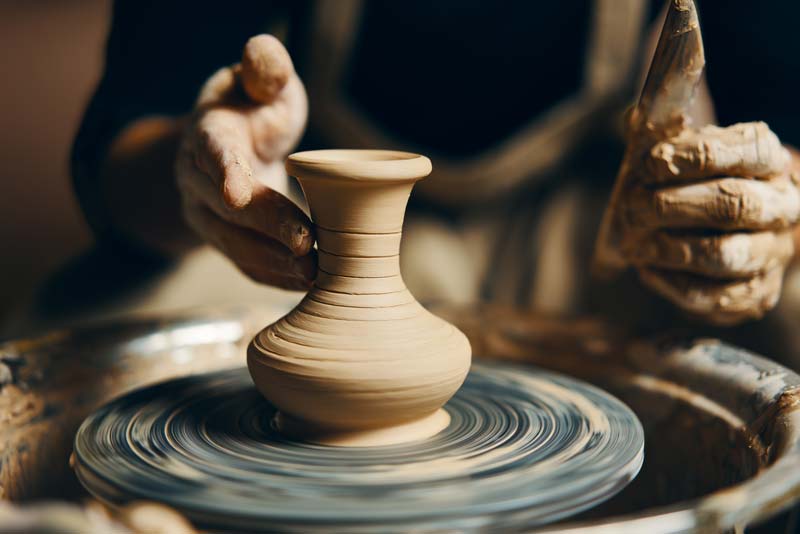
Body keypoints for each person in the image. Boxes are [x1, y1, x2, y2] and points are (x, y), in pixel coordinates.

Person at [69, 1, 800, 361]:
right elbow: (125, 130)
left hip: (586, 226)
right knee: (96, 340)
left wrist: (765, 210)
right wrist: (198, 177)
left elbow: (783, 121)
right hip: (305, 219)